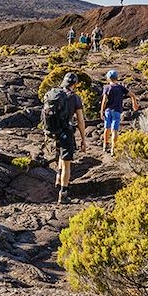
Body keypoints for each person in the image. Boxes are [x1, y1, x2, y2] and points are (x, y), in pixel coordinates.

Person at [42, 72, 87, 204]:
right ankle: (63, 193)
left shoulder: (53, 94)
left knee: (60, 155)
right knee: (67, 163)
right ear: (75, 84)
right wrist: (83, 139)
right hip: (66, 133)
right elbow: (80, 121)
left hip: (53, 132)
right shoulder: (75, 98)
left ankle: (57, 178)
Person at [99, 69, 140, 155]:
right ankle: (113, 149)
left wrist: (101, 111)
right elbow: (132, 95)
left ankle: (105, 145)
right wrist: (134, 104)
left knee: (107, 128)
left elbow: (104, 100)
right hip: (117, 111)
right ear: (116, 78)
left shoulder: (106, 88)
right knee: (115, 130)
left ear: (108, 78)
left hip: (108, 111)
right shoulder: (121, 88)